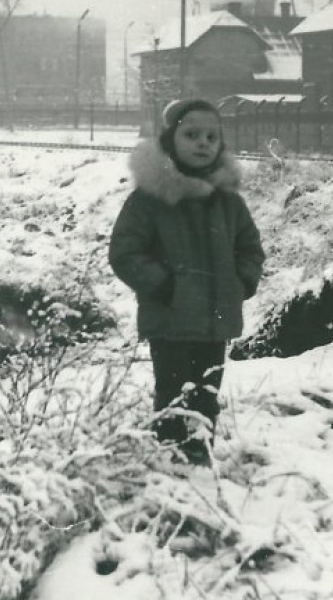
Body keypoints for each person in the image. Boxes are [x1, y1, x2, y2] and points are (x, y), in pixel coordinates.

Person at [108, 98, 265, 466]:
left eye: (212, 136)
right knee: (173, 400)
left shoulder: (229, 203)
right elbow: (125, 254)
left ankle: (200, 463)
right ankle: (169, 466)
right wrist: (166, 287)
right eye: (191, 134)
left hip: (215, 323)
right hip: (170, 322)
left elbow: (250, 249)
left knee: (206, 397)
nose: (203, 143)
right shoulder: (149, 200)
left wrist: (241, 283)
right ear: (169, 139)